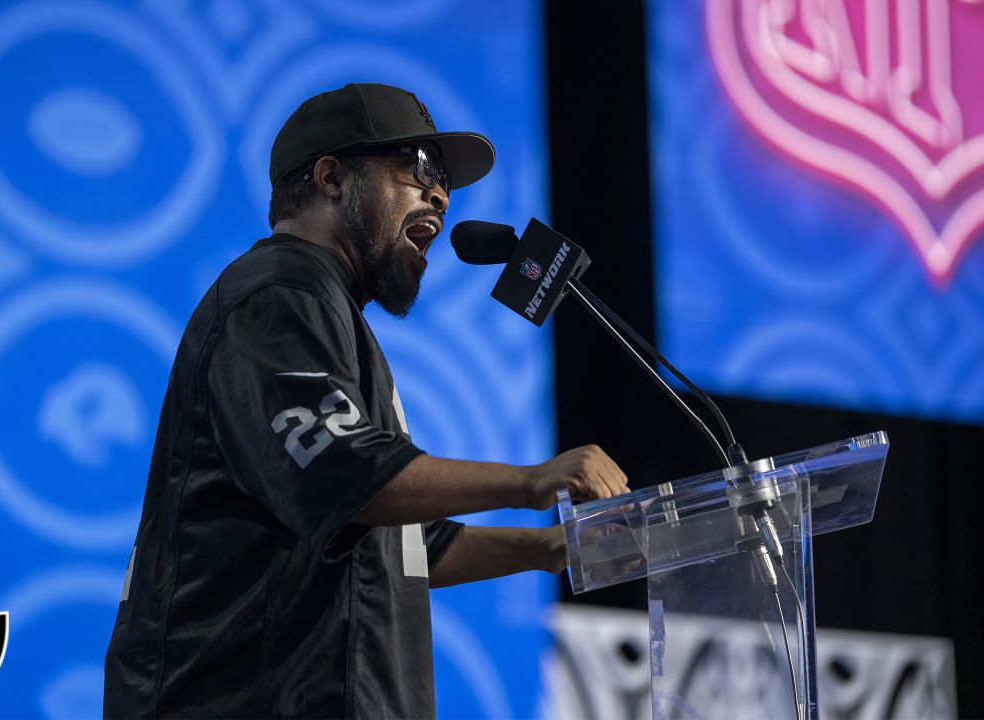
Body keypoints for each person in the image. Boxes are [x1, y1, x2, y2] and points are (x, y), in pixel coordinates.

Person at [102, 82, 628, 718]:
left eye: (443, 183)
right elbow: (344, 475)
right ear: (331, 177)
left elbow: (406, 543)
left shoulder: (325, 312)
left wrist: (548, 551)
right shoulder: (275, 297)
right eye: (419, 170)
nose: (439, 195)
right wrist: (532, 480)